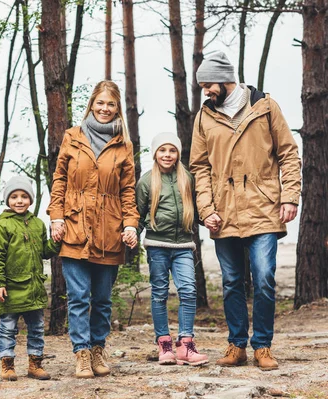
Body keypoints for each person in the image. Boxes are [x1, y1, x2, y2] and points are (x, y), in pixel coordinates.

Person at [190, 51, 301, 371]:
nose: (205, 91)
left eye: (208, 84)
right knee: (232, 281)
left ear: (226, 79)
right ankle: (237, 344)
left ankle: (263, 346)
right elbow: (199, 167)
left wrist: (290, 196)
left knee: (264, 277)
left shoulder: (266, 107)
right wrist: (205, 209)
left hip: (263, 207)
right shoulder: (204, 117)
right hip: (223, 212)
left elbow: (289, 154)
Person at [47, 80, 139, 379]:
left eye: (110, 104)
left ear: (117, 109)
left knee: (101, 299)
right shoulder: (72, 137)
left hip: (109, 232)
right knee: (78, 297)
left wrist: (130, 224)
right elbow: (59, 179)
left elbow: (128, 191)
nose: (104, 108)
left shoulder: (124, 145)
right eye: (100, 103)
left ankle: (98, 350)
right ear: (92, 105)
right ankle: (81, 354)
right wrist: (56, 217)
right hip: (74, 227)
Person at [136, 132, 208, 366]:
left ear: (178, 154)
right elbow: (137, 215)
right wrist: (130, 235)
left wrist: (210, 219)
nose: (167, 155)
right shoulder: (147, 181)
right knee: (159, 294)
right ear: (155, 154)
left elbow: (198, 211)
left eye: (172, 150)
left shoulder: (187, 178)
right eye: (162, 150)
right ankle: (164, 344)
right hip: (157, 245)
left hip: (184, 245)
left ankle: (186, 345)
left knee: (188, 291)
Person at [0, 175, 60, 381]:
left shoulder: (38, 224)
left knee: (36, 328)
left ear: (31, 199)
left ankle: (35, 365)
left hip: (34, 288)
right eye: (14, 197)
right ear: (7, 200)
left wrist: (56, 242)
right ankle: (7, 365)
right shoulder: (3, 226)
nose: (19, 201)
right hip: (11, 288)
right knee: (8, 329)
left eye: (24, 196)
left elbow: (44, 251)